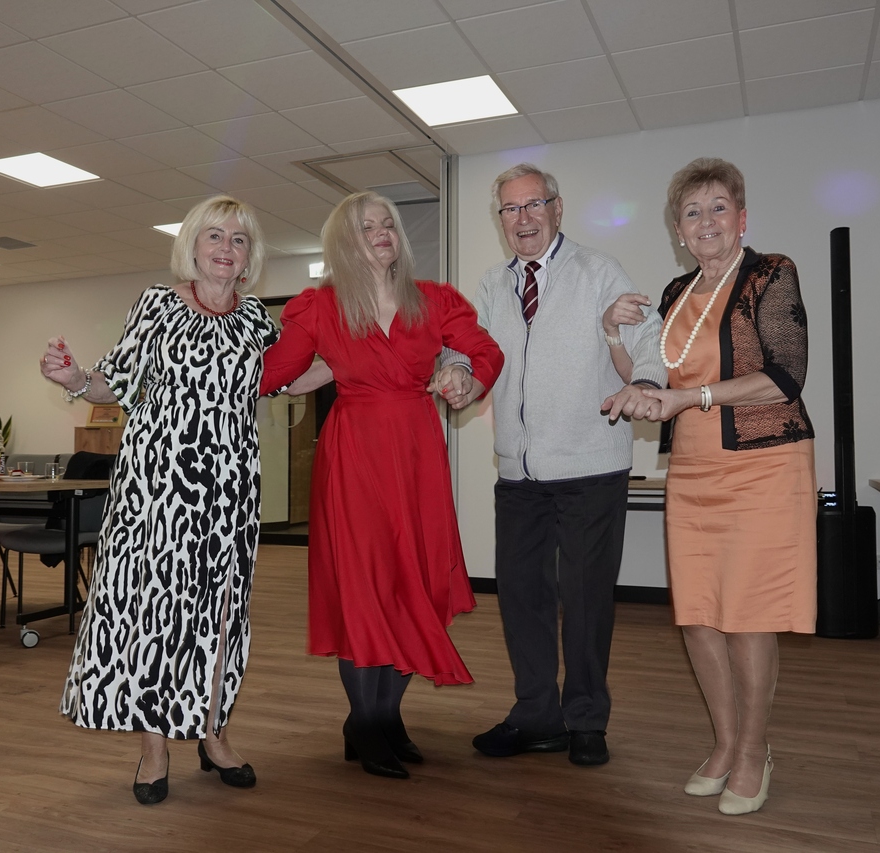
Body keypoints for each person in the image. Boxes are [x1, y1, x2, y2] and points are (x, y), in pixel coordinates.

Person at [259, 191, 504, 780]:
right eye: (366, 227)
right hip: (355, 458)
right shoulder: (320, 306)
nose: (381, 233)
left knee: (411, 586)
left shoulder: (435, 300)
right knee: (363, 589)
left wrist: (464, 376)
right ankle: (367, 723)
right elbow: (272, 372)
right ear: (345, 242)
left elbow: (485, 351)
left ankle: (385, 718)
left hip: (417, 453)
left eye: (387, 223)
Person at [43, 196, 278, 805]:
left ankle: (213, 733)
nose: (226, 248)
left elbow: (283, 377)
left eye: (239, 240)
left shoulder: (258, 321)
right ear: (192, 245)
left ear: (250, 256)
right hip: (157, 489)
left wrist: (359, 366)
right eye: (214, 236)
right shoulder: (157, 304)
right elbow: (115, 381)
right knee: (156, 614)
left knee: (221, 614)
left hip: (230, 490)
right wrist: (75, 379)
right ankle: (154, 748)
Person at [603, 157, 816, 815]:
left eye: (718, 207)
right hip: (693, 471)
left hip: (763, 464)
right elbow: (651, 377)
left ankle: (754, 751)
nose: (706, 221)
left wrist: (690, 397)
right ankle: (724, 744)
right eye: (692, 212)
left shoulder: (770, 273)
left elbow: (786, 377)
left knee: (747, 615)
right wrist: (613, 333)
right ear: (678, 229)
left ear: (741, 217)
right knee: (697, 613)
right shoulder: (674, 294)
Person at [451, 164, 665, 768]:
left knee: (587, 599)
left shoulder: (599, 271)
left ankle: (587, 719)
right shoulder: (493, 284)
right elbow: (470, 349)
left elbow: (647, 337)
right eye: (510, 209)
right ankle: (538, 717)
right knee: (522, 597)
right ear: (501, 219)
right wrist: (458, 371)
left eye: (533, 205)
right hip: (518, 474)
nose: (523, 218)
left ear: (557, 208)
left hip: (590, 467)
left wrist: (647, 383)